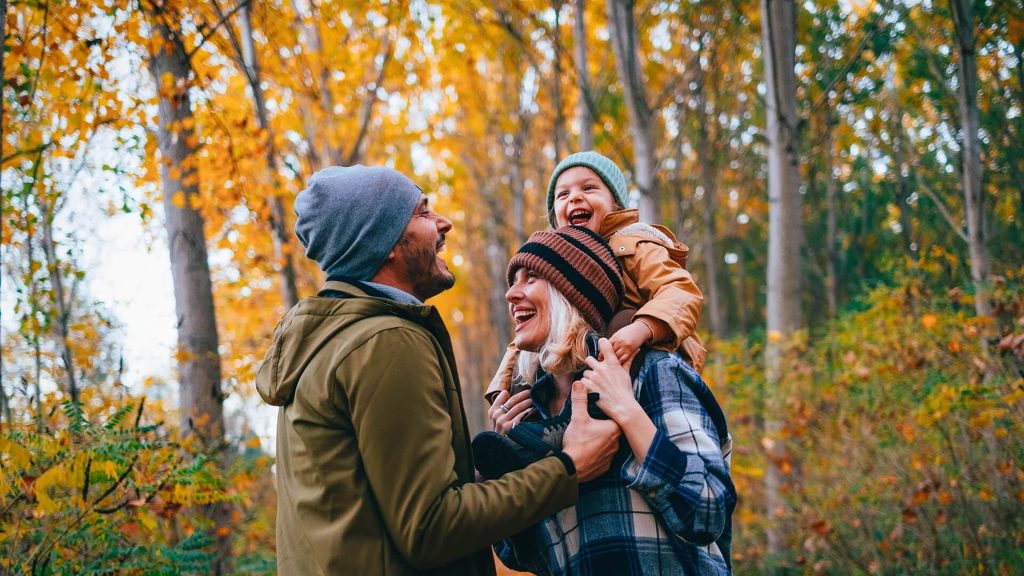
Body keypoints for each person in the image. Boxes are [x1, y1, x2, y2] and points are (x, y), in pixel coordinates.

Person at [254, 165, 621, 576]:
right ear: (386, 242)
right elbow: (431, 527)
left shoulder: (330, 342)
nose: (443, 222)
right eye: (424, 213)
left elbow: (381, 506)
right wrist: (568, 468)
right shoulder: (384, 342)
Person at [488, 226, 735, 575]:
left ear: (571, 292)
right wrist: (509, 470)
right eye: (512, 282)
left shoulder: (651, 372)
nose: (511, 294)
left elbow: (709, 512)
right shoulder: (530, 414)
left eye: (530, 278)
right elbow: (525, 558)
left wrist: (628, 412)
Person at [485, 151, 707, 415]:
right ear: (555, 216)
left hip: (652, 349)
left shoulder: (635, 244)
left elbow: (679, 290)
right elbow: (524, 336)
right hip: (590, 362)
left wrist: (642, 328)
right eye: (563, 195)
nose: (575, 197)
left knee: (622, 320)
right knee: (533, 358)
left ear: (615, 203)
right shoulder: (562, 263)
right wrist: (503, 388)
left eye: (589, 188)